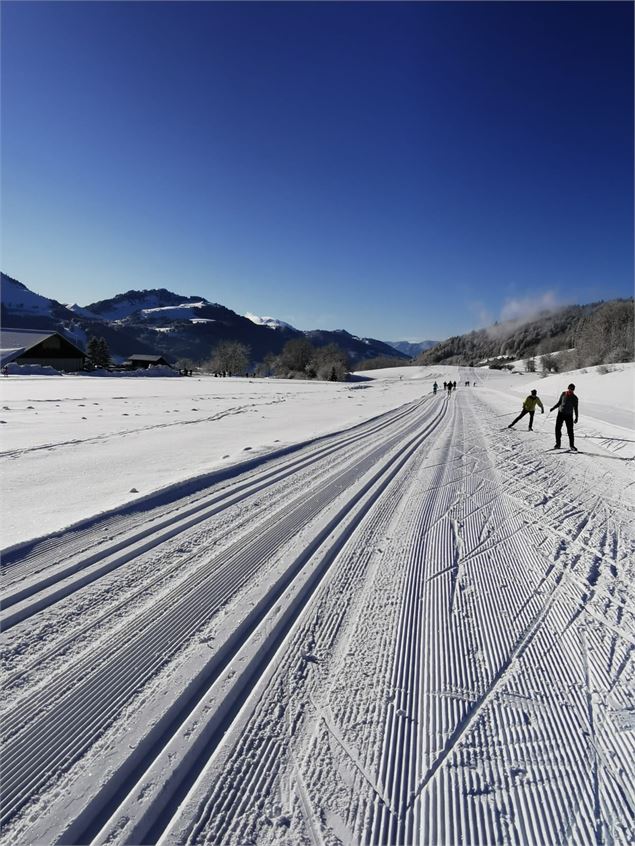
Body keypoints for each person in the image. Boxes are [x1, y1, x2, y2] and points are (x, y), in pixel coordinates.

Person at [550, 383, 579, 450]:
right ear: (568, 388)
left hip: (569, 415)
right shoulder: (563, 394)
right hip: (560, 414)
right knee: (557, 429)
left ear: (573, 390)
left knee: (570, 431)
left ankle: (572, 446)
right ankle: (558, 444)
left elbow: (576, 408)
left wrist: (577, 417)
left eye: (572, 389)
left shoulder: (575, 398)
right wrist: (553, 408)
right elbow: (559, 402)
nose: (570, 390)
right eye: (569, 388)